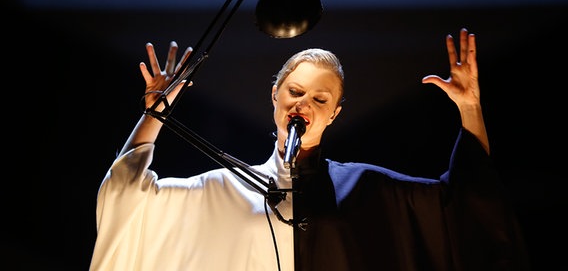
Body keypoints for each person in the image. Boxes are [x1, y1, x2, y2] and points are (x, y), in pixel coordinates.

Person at [89, 28, 530, 270]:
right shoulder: (223, 188)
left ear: (335, 113)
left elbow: (469, 204)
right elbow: (127, 197)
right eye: (295, 92)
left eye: (320, 99)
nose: (304, 104)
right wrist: (156, 113)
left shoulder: (366, 188)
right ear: (276, 96)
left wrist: (470, 108)